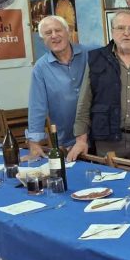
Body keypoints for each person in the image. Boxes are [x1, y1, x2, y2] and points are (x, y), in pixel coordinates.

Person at [68, 10, 130, 162]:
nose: (126, 33)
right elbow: (84, 103)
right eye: (121, 28)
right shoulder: (96, 59)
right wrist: (81, 140)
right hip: (107, 142)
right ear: (112, 31)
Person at [25, 16, 88, 156]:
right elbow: (37, 106)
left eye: (58, 30)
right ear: (43, 40)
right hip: (67, 141)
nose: (54, 36)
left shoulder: (90, 53)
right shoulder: (40, 68)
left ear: (68, 32)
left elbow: (120, 51)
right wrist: (34, 143)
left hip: (99, 136)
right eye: (48, 33)